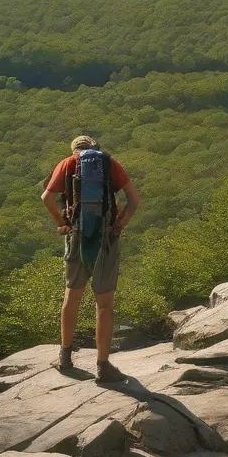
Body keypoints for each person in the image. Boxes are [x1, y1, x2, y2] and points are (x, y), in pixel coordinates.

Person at [41, 135, 141, 383]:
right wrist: (119, 225)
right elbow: (134, 199)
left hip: (76, 236)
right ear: (95, 149)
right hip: (107, 238)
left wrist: (62, 224)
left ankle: (65, 357)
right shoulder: (109, 164)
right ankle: (103, 366)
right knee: (104, 304)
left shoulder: (66, 164)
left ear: (74, 151)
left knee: (72, 295)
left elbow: (46, 198)